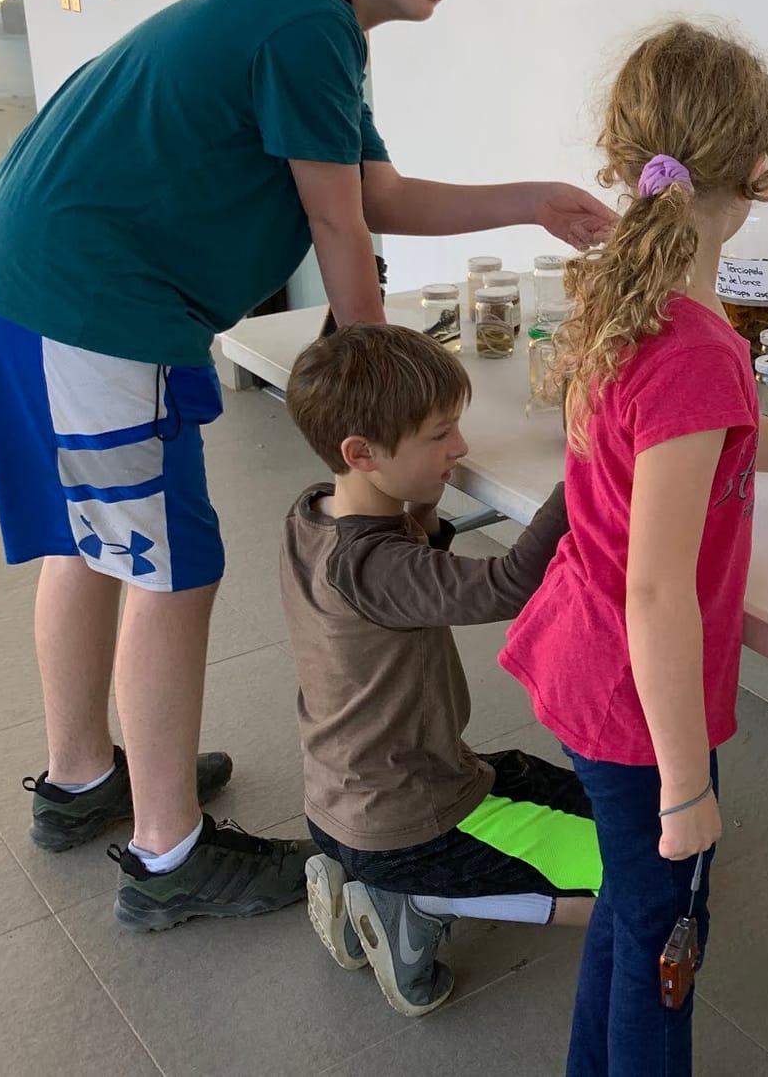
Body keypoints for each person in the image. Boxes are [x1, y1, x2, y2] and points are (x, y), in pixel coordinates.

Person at [0, 0, 618, 929]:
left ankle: (82, 781)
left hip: (26, 270)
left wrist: (533, 196)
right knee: (168, 564)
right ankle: (167, 859)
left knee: (97, 542)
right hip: (90, 298)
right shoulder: (308, 22)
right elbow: (336, 225)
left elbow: (374, 194)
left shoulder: (300, 15)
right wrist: (384, 400)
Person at [498, 21, 768, 1076]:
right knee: (664, 943)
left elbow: (706, 446)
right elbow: (656, 591)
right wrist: (685, 783)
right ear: (752, 183)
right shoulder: (693, 348)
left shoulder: (624, 302)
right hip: (635, 700)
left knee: (630, 917)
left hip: (586, 663)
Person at [278, 322, 601, 1017]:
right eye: (438, 435)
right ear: (360, 452)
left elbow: (409, 547)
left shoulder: (313, 516)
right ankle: (416, 902)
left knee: (607, 808)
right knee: (642, 878)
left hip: (351, 795)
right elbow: (508, 584)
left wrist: (419, 495)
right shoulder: (375, 566)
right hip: (410, 819)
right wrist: (587, 466)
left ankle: (353, 874)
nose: (459, 447)